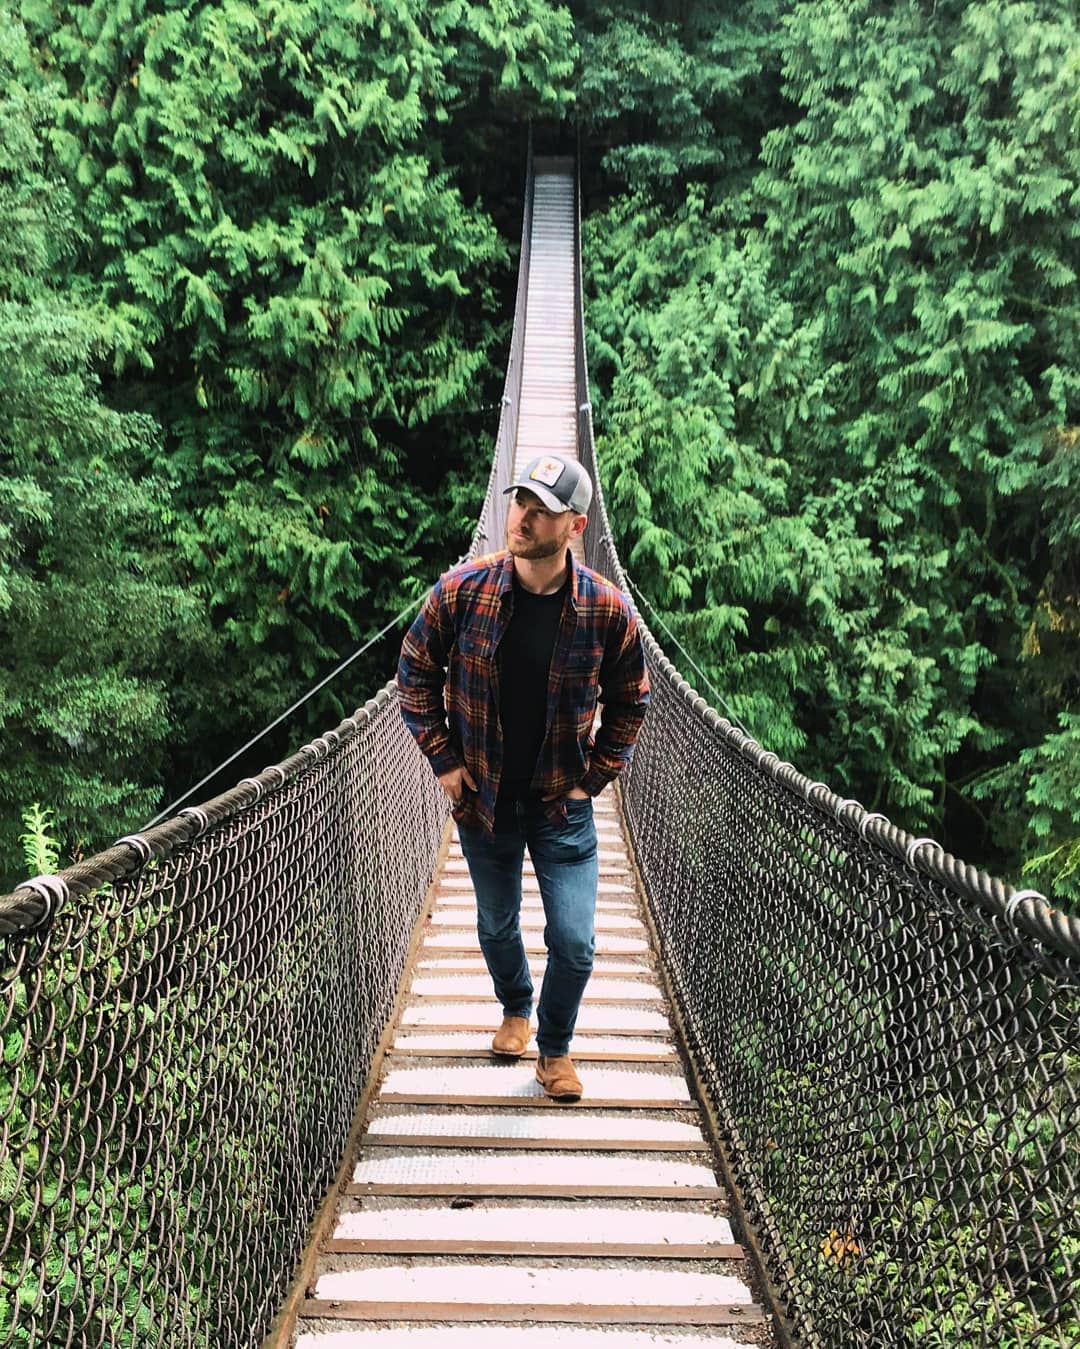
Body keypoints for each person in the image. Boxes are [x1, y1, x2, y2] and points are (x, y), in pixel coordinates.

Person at [397, 452, 649, 1102]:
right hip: (484, 799)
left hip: (560, 803)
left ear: (576, 525)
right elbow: (415, 672)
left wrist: (593, 779)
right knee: (495, 924)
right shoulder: (462, 590)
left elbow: (633, 698)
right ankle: (515, 1006)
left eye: (543, 510)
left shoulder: (606, 609)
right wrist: (444, 761)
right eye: (520, 503)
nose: (524, 518)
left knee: (575, 942)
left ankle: (554, 1048)